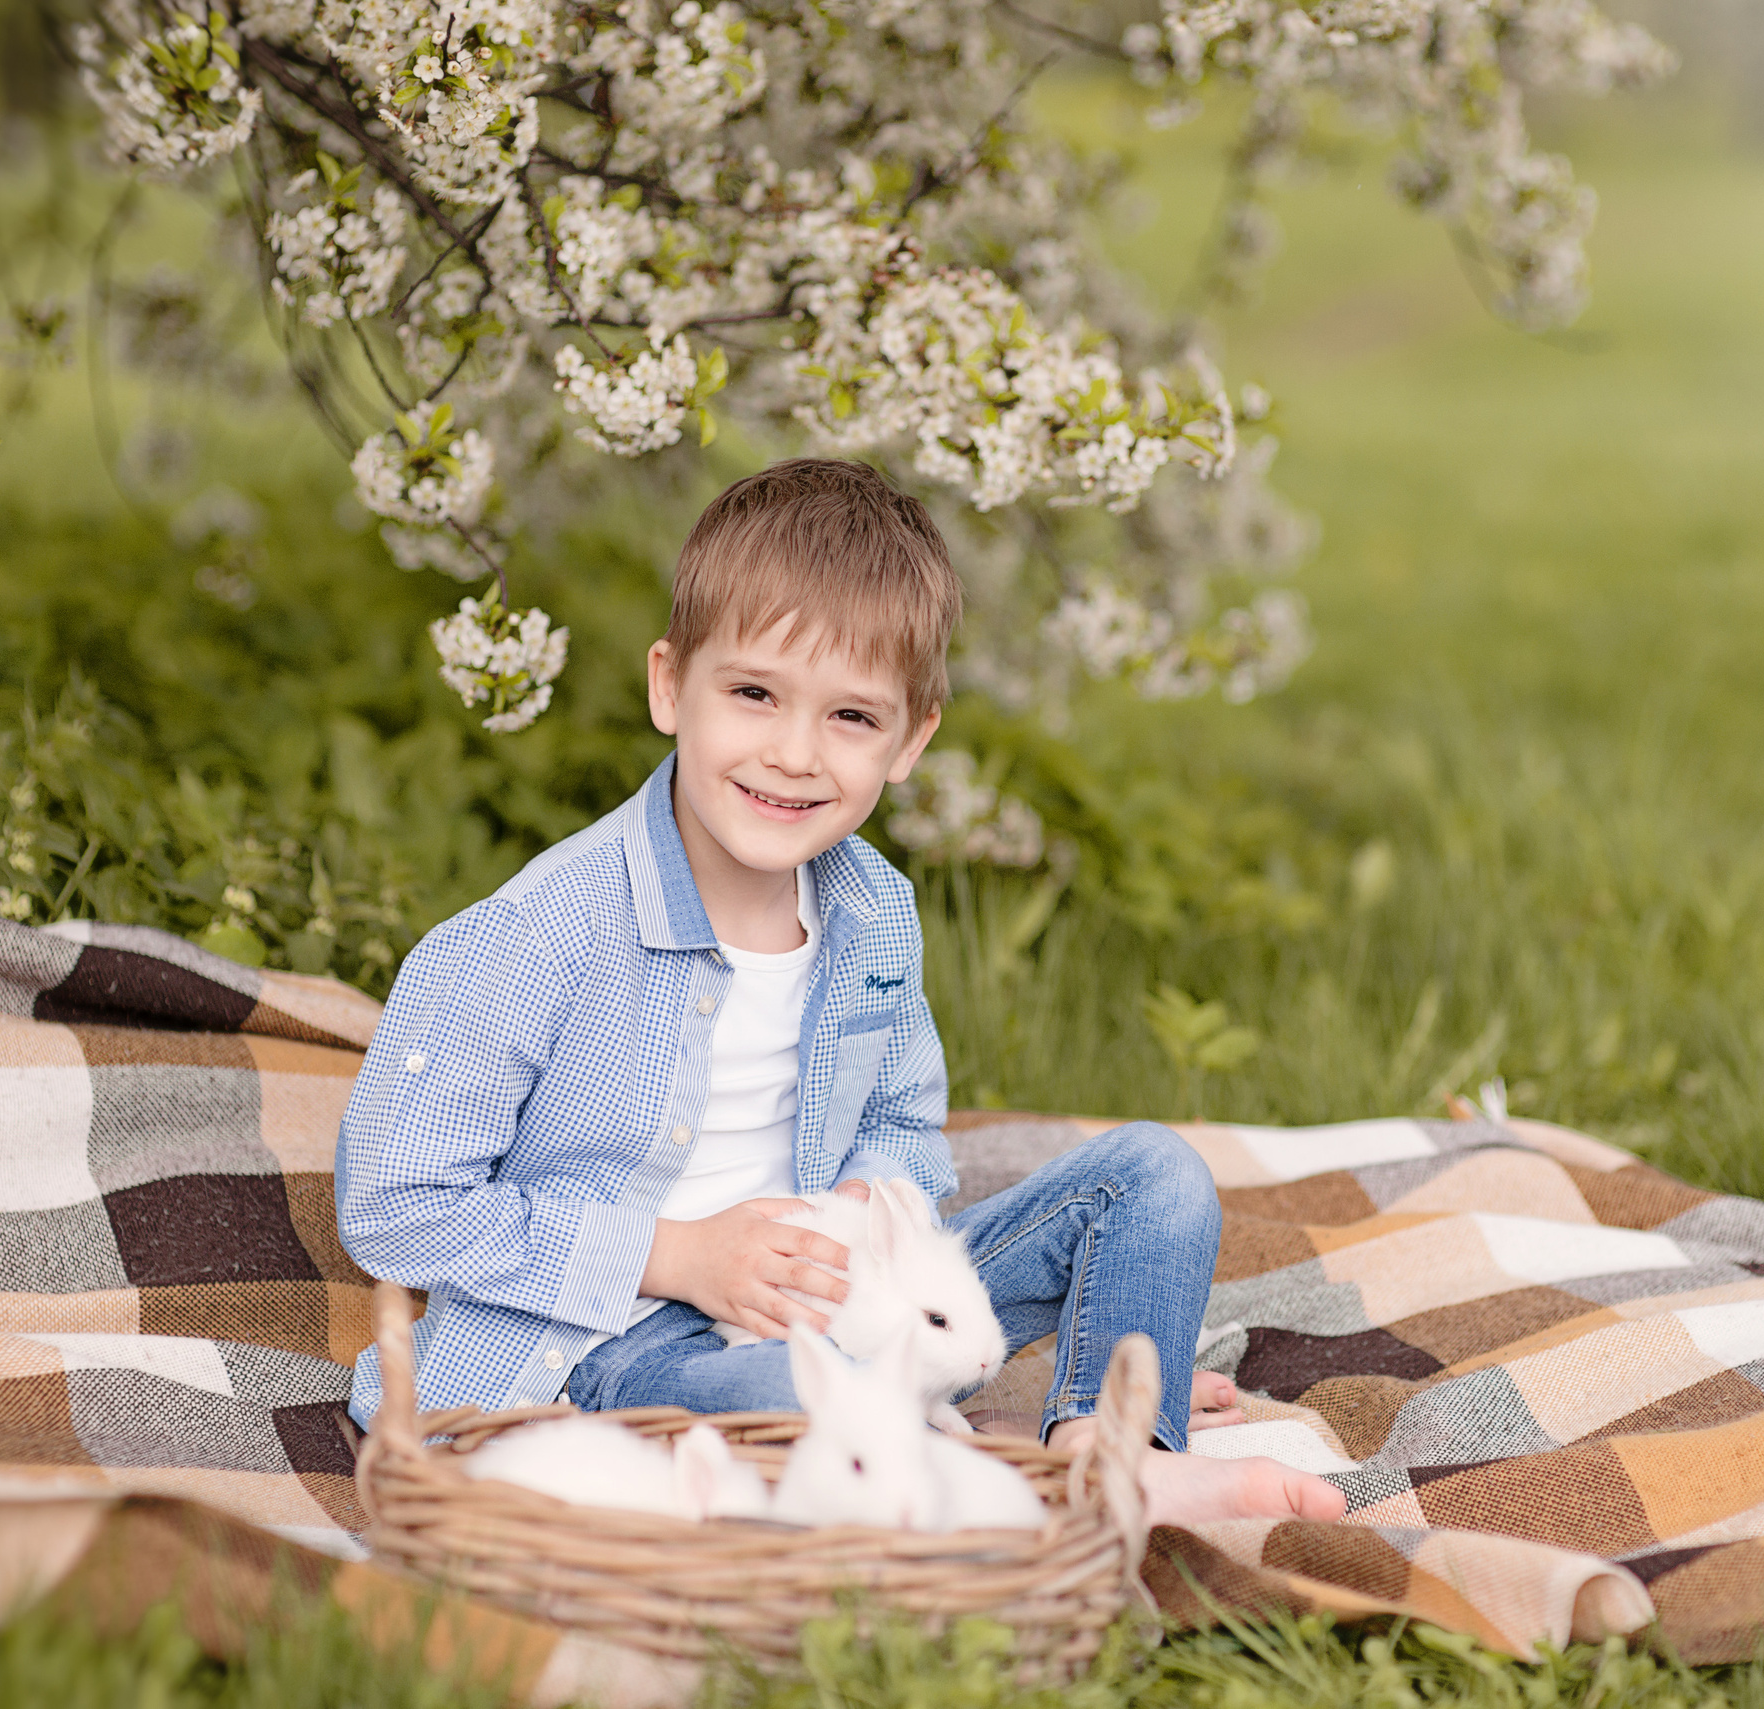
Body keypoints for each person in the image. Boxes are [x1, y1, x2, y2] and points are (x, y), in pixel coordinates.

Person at [337, 459, 1342, 1526]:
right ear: (670, 684)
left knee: (1155, 1176)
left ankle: (1107, 1442)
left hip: (835, 1297)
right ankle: (943, 1449)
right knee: (814, 1409)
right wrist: (680, 1255)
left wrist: (872, 1202)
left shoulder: (870, 913)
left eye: (851, 717)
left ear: (911, 738)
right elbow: (395, 1202)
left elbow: (905, 1123)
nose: (794, 753)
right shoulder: (544, 933)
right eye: (755, 692)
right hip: (614, 1341)